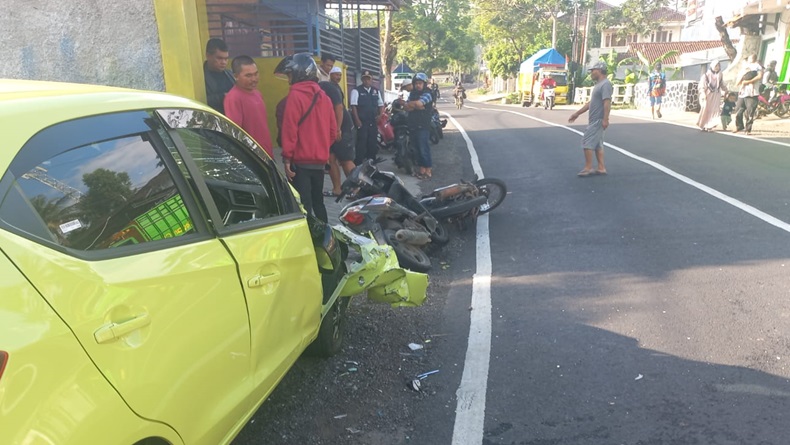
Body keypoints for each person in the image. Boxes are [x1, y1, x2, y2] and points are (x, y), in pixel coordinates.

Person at [275, 53, 337, 223]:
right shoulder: (324, 97)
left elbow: (290, 130)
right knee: (319, 202)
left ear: (298, 74)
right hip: (320, 162)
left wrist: (287, 159)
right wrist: (320, 148)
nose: (288, 79)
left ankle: (310, 240)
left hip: (300, 163)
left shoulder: (295, 96)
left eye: (289, 75)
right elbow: (333, 132)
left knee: (304, 204)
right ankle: (327, 237)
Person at [224, 55, 274, 158]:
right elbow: (235, 134)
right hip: (252, 157)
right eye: (248, 75)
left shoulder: (257, 93)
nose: (254, 79)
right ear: (236, 76)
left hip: (266, 154)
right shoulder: (233, 98)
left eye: (256, 74)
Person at [568, 61, 612, 177]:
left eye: (593, 71)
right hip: (595, 119)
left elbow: (607, 102)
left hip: (598, 119)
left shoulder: (605, 84)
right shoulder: (598, 85)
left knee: (587, 142)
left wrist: (605, 119)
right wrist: (577, 113)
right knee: (597, 144)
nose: (591, 73)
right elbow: (591, 103)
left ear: (599, 70)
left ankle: (588, 167)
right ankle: (601, 167)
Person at [320, 66, 356, 197]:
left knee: (346, 160)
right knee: (331, 159)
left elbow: (339, 107)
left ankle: (357, 190)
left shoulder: (328, 88)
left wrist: (338, 129)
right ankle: (337, 189)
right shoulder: (318, 89)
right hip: (331, 130)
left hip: (343, 129)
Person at [350, 70, 384, 165]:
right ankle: (359, 163)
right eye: (364, 79)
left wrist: (380, 116)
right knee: (361, 143)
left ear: (372, 80)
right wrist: (357, 120)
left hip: (373, 121)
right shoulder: (356, 91)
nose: (367, 81)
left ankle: (371, 163)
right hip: (362, 122)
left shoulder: (376, 91)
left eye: (368, 79)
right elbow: (353, 106)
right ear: (362, 80)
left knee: (372, 143)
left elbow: (381, 105)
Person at [404, 73, 434, 179]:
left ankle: (428, 169)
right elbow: (407, 107)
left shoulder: (428, 93)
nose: (418, 85)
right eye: (416, 83)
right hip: (413, 125)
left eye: (420, 83)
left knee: (423, 148)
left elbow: (419, 104)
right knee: (416, 148)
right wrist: (415, 105)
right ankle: (422, 169)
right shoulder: (412, 94)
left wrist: (414, 105)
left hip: (423, 125)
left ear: (424, 84)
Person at [203, 38, 235, 114]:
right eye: (219, 58)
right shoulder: (200, 77)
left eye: (226, 59)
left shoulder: (230, 74)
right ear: (208, 56)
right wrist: (222, 97)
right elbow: (199, 101)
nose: (223, 62)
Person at [734, 54, 763, 135]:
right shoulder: (745, 67)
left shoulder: (758, 66)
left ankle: (748, 129)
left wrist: (749, 82)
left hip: (752, 93)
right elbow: (740, 78)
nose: (751, 59)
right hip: (743, 92)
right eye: (750, 57)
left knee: (750, 112)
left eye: (752, 57)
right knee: (738, 110)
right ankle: (739, 126)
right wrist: (741, 82)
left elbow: (760, 76)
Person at [696, 60, 727, 132]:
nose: (717, 67)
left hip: (716, 95)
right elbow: (702, 85)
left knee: (714, 110)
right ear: (712, 66)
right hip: (708, 95)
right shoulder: (706, 75)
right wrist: (703, 93)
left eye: (718, 66)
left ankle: (709, 125)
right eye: (716, 66)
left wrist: (726, 90)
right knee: (706, 109)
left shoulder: (720, 74)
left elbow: (721, 83)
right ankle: (703, 124)